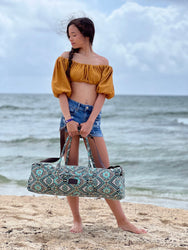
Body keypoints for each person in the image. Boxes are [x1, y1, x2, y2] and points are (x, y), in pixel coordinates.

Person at [51, 17, 147, 234]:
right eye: (69, 35)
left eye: (74, 34)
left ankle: (122, 221)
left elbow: (102, 94)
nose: (71, 39)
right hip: (70, 116)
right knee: (71, 170)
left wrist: (90, 121)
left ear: (87, 34)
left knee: (104, 170)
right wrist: (69, 120)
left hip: (92, 118)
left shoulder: (103, 62)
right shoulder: (65, 58)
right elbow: (61, 92)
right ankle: (76, 220)